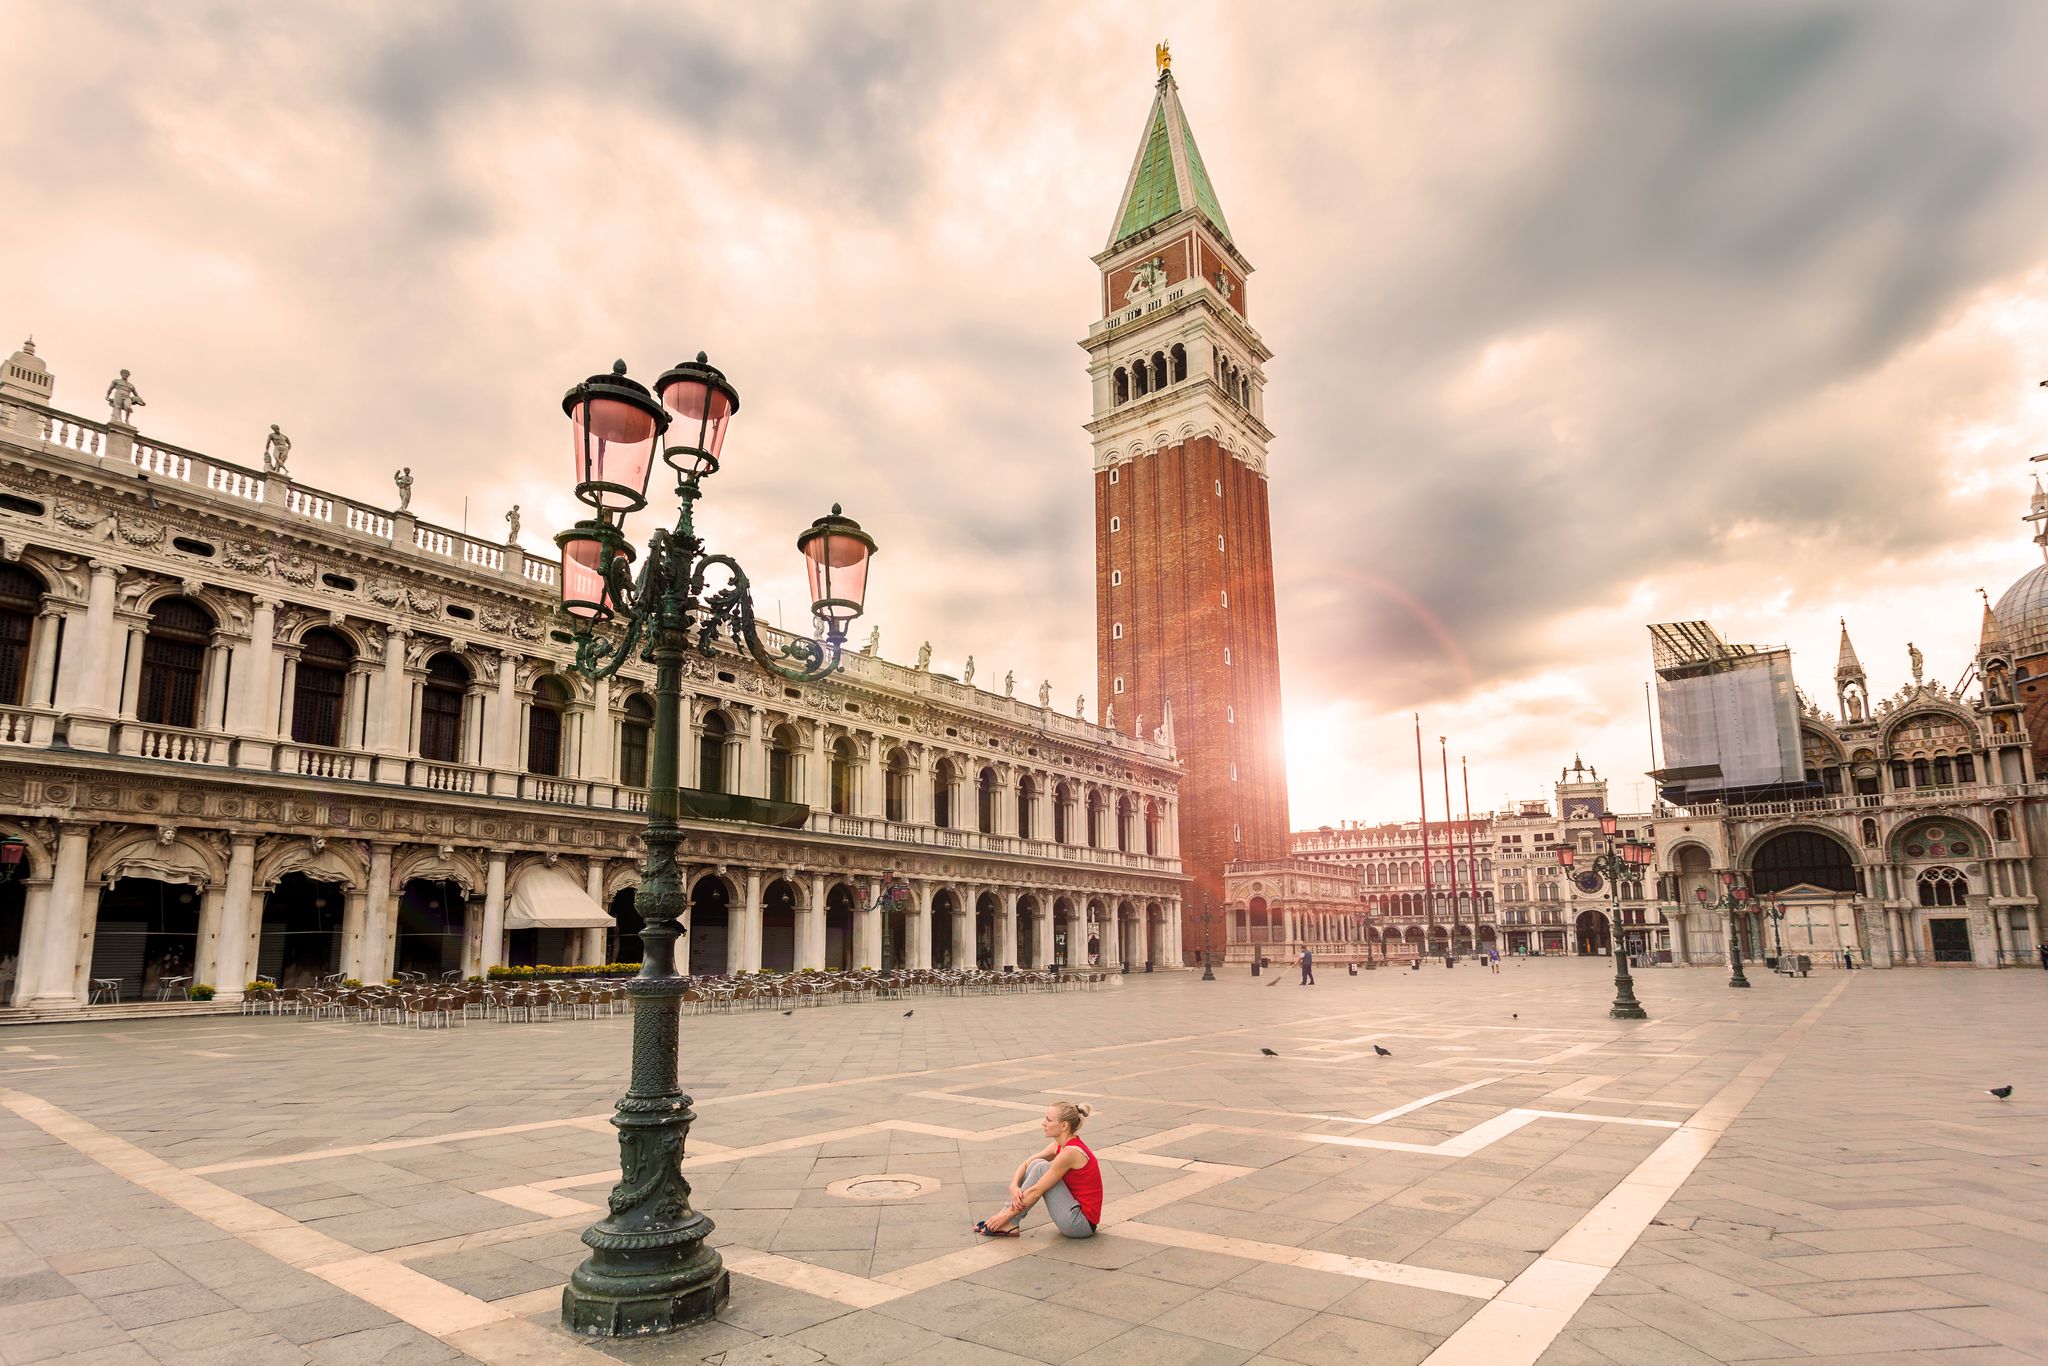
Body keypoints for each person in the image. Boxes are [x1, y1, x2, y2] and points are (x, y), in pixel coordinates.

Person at [975, 1101, 1101, 1239]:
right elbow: (1026, 1164)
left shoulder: (1069, 1153)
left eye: (1049, 1120)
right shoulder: (1060, 1146)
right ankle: (1007, 1222)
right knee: (1037, 1163)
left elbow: (1036, 1191)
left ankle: (1006, 1221)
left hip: (1080, 1224)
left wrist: (1005, 1216)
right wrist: (1014, 1185)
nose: (1043, 1123)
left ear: (1064, 1125)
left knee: (1042, 1167)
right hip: (1074, 1213)